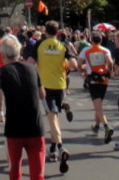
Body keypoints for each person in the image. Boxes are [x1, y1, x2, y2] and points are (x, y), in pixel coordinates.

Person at [0, 35, 46, 180]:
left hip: (14, 128)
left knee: (14, 171)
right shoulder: (32, 69)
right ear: (19, 52)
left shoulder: (0, 73)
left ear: (2, 55)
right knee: (37, 174)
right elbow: (42, 94)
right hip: (35, 126)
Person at [27, 20, 76, 171]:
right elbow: (73, 64)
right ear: (58, 32)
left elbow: (29, 63)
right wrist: (64, 65)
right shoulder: (63, 45)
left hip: (45, 86)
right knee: (54, 117)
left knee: (51, 117)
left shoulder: (39, 45)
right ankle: (53, 149)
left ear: (45, 32)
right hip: (60, 85)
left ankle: (61, 148)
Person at [79, 31, 116, 143]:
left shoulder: (86, 50)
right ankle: (96, 126)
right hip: (104, 79)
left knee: (98, 106)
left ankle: (106, 126)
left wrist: (82, 72)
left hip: (93, 79)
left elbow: (78, 63)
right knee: (99, 104)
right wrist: (110, 70)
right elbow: (110, 62)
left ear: (91, 40)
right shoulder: (106, 50)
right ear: (100, 40)